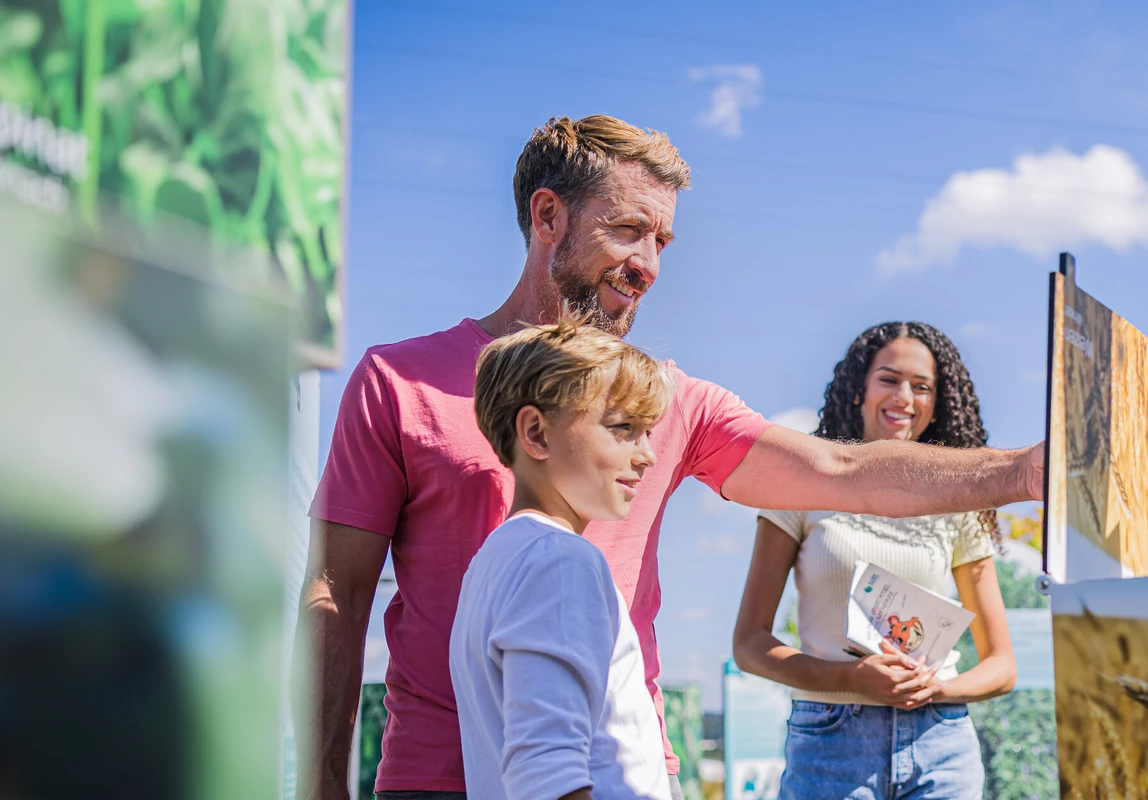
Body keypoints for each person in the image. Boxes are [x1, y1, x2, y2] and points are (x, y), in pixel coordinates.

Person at [296, 116, 1043, 800]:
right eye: (628, 230)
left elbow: (844, 473)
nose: (648, 264)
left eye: (663, 242)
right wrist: (323, 780)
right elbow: (336, 589)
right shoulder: (397, 381)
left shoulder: (669, 399)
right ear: (547, 216)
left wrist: (1026, 472)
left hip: (621, 772)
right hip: (436, 776)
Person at [732, 321, 1018, 800]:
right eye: (889, 379)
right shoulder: (800, 487)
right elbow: (749, 645)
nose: (904, 396)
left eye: (922, 386)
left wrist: (934, 689)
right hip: (830, 742)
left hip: (941, 742)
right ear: (858, 390)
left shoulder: (957, 505)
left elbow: (1002, 665)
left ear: (937, 403)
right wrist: (850, 678)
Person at [451, 319, 674, 800]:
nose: (648, 455)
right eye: (624, 428)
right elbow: (547, 773)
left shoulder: (494, 561)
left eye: (648, 432)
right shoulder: (559, 560)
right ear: (536, 432)